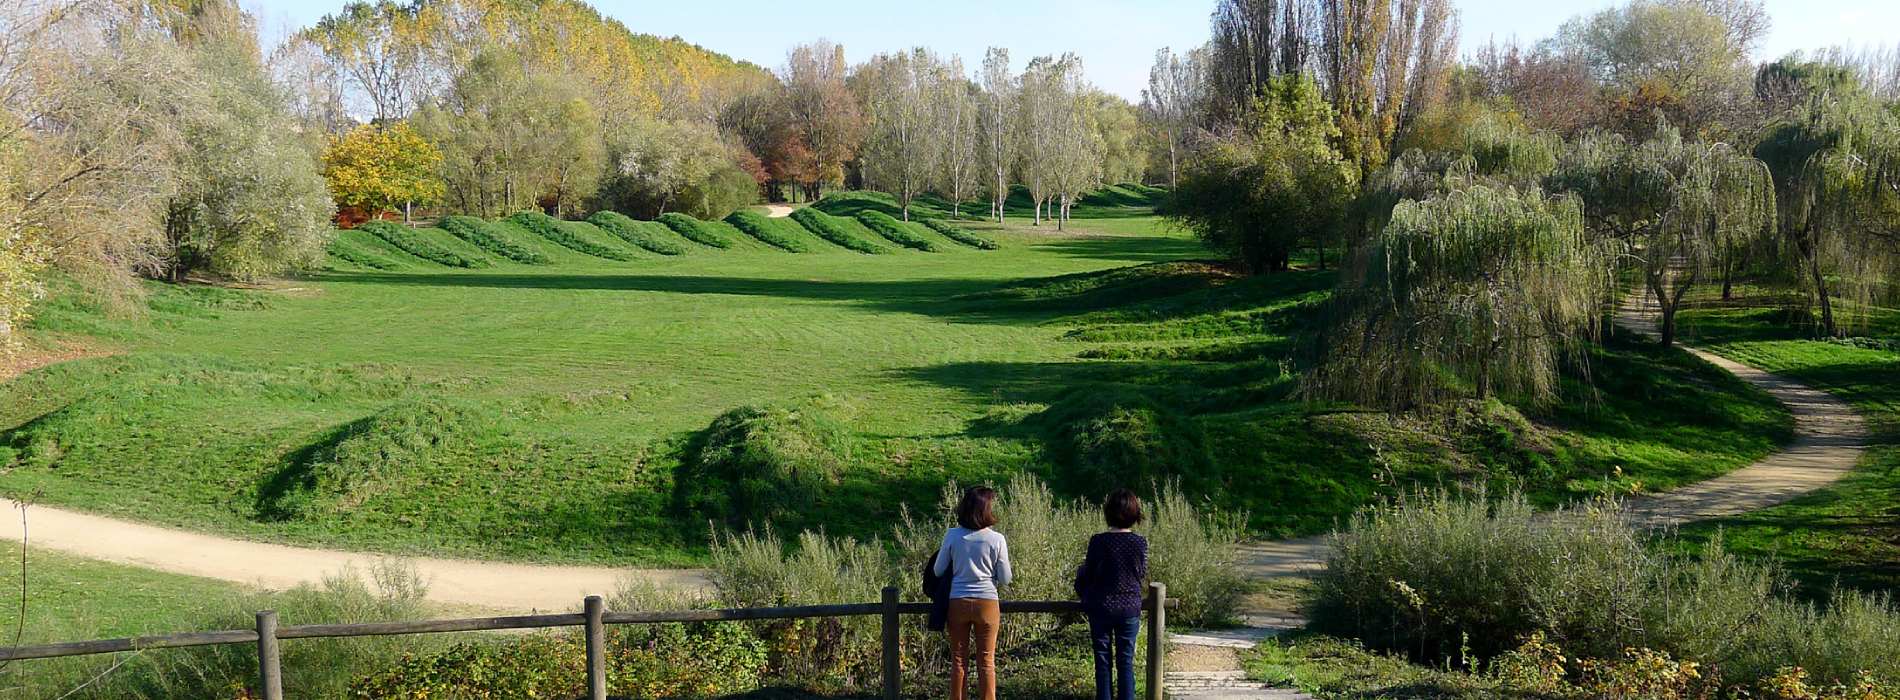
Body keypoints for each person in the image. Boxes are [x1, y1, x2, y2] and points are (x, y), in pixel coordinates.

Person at [933, 486, 1012, 700]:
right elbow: (1005, 578)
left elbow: (938, 570)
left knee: (958, 660)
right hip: (987, 601)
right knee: (986, 661)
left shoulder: (952, 535)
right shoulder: (997, 539)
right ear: (986, 509)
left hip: (957, 601)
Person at [1073, 489, 1149, 700]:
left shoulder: (1098, 541)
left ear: (1108, 512)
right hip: (1129, 606)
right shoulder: (1140, 543)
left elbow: (1089, 572)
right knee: (1126, 661)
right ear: (1134, 513)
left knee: (1102, 661)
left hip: (1101, 605)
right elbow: (1140, 574)